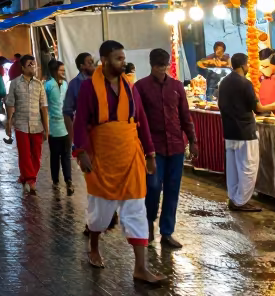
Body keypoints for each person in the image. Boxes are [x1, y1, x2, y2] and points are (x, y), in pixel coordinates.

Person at [72, 41, 164, 284]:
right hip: (102, 158)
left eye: (123, 58)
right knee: (100, 214)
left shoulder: (130, 88)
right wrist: (81, 152)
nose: (123, 63)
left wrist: (150, 154)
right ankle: (93, 246)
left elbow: (141, 120)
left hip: (130, 156)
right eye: (118, 59)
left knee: (136, 211)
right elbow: (80, 121)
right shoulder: (88, 89)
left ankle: (141, 268)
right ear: (104, 60)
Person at [134, 48, 197, 249]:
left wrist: (193, 140)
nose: (162, 69)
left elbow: (185, 117)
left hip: (176, 147)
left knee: (172, 189)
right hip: (153, 148)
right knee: (152, 187)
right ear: (151, 65)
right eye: (158, 66)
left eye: (164, 65)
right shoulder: (140, 87)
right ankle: (149, 222)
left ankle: (167, 232)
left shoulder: (177, 87)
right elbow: (137, 119)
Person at [217, 52, 275, 213]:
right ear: (242, 65)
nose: (248, 67)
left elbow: (221, 105)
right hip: (245, 132)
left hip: (229, 131)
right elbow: (258, 108)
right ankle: (241, 202)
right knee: (248, 167)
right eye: (247, 64)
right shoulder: (244, 83)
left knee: (233, 168)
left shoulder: (224, 82)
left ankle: (234, 198)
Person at [5, 54, 48, 194]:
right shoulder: (15, 83)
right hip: (21, 124)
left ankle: (27, 177)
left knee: (37, 154)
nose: (33, 66)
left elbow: (43, 107)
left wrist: (46, 128)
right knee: (24, 154)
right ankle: (30, 179)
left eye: (34, 64)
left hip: (37, 125)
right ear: (23, 67)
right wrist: (8, 123)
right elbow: (10, 104)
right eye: (30, 64)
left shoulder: (39, 84)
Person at [44, 59, 74, 194]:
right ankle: (55, 181)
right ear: (55, 72)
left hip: (66, 125)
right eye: (61, 70)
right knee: (55, 156)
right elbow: (44, 106)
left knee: (66, 155)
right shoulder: (48, 86)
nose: (63, 72)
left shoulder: (66, 85)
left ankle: (68, 180)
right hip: (53, 126)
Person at [62, 51, 96, 138]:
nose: (93, 64)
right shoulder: (74, 84)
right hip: (84, 133)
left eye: (93, 62)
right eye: (89, 62)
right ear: (82, 66)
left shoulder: (99, 81)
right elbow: (67, 112)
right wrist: (72, 137)